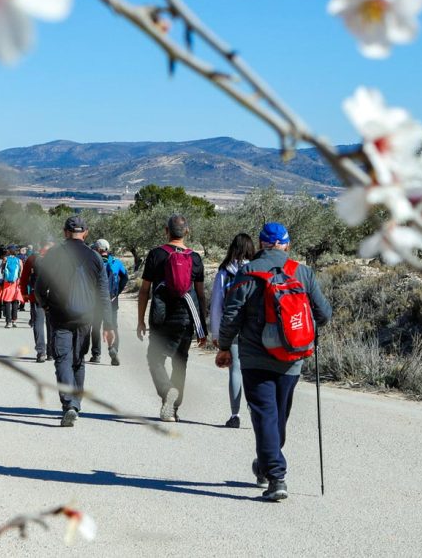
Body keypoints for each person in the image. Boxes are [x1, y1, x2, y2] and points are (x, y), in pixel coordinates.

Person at [217, 222, 331, 503]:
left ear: (261, 244)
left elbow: (232, 315)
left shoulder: (248, 272)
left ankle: (276, 476)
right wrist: (304, 333)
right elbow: (324, 313)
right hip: (292, 358)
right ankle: (267, 463)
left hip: (256, 357)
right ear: (287, 244)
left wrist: (224, 346)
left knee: (265, 415)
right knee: (277, 416)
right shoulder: (302, 272)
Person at [35, 216, 115, 427]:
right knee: (78, 360)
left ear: (64, 232)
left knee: (62, 359)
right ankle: (75, 404)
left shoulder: (53, 254)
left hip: (59, 314)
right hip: (86, 317)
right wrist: (108, 324)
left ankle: (69, 403)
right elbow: (103, 294)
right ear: (86, 233)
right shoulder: (95, 257)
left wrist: (45, 305)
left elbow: (40, 287)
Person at [136, 214, 207, 422]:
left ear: (166, 231)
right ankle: (174, 409)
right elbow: (200, 295)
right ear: (187, 232)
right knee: (180, 362)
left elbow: (144, 291)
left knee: (154, 359)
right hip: (185, 317)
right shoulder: (195, 258)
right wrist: (202, 327)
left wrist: (140, 320)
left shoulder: (156, 254)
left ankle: (167, 391)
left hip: (160, 316)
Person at [208, 232, 257, 428]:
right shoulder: (257, 270)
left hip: (233, 327)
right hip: (255, 329)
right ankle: (256, 412)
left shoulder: (224, 272)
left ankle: (235, 415)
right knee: (254, 372)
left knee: (235, 371)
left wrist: (217, 333)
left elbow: (217, 306)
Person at [84, 239, 128, 366]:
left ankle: (96, 354)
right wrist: (116, 293)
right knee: (112, 325)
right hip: (111, 300)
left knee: (96, 326)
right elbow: (125, 277)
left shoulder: (92, 262)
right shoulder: (116, 262)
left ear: (98, 249)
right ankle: (113, 350)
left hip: (95, 300)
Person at [0, 245, 24, 327]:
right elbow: (20, 273)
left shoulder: (5, 259)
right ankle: (14, 320)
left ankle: (8, 322)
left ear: (9, 251)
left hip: (6, 284)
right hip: (15, 284)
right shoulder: (19, 260)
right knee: (15, 302)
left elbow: (2, 271)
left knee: (7, 302)